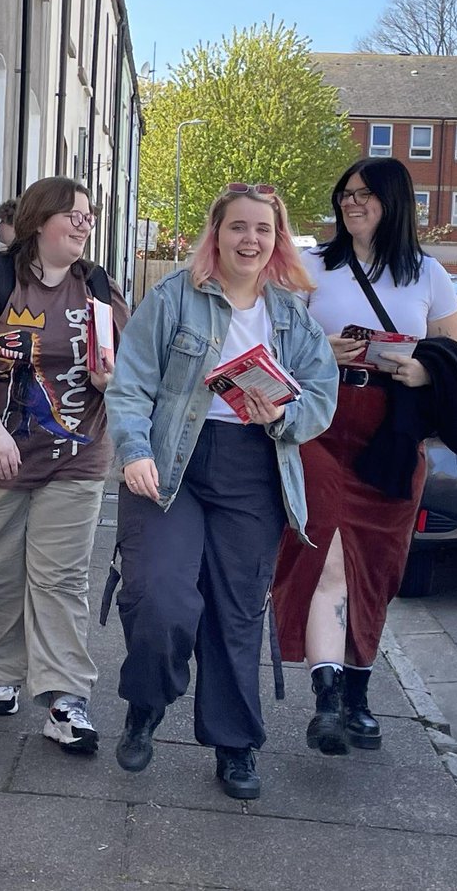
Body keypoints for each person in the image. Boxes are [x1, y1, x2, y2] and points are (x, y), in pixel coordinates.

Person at [104, 183, 339, 799]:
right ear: (216, 235)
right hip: (171, 464)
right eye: (238, 227)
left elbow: (321, 398)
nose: (250, 240)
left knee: (237, 612)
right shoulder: (173, 298)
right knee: (161, 596)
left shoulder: (292, 314)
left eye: (263, 230)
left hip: (253, 469)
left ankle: (236, 745)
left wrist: (280, 417)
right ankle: (146, 705)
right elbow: (129, 386)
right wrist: (133, 452)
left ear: (277, 240)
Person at [271, 157, 457, 756]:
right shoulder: (309, 267)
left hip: (392, 433)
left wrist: (419, 368)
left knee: (378, 567)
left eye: (364, 194)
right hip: (321, 425)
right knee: (326, 551)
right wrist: (320, 351)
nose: (350, 203)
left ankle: (358, 695)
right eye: (345, 194)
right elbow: (270, 345)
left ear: (394, 201)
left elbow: (454, 360)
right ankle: (328, 700)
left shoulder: (428, 274)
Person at [0, 176, 129, 755]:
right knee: (0, 570)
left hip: (76, 455)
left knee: (61, 578)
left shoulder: (96, 285)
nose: (83, 223)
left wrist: (110, 377)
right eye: (72, 214)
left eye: (89, 215)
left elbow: (130, 365)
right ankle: (3, 670)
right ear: (39, 220)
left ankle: (65, 699)